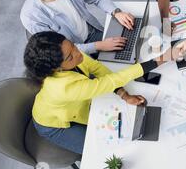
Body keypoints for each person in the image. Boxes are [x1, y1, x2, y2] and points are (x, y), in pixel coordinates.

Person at [24, 31, 175, 154]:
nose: (78, 54)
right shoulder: (63, 88)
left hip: (73, 107)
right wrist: (161, 59)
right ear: (56, 69)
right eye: (71, 56)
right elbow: (111, 81)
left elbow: (97, 68)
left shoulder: (74, 56)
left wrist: (124, 94)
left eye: (73, 46)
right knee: (100, 151)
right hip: (53, 126)